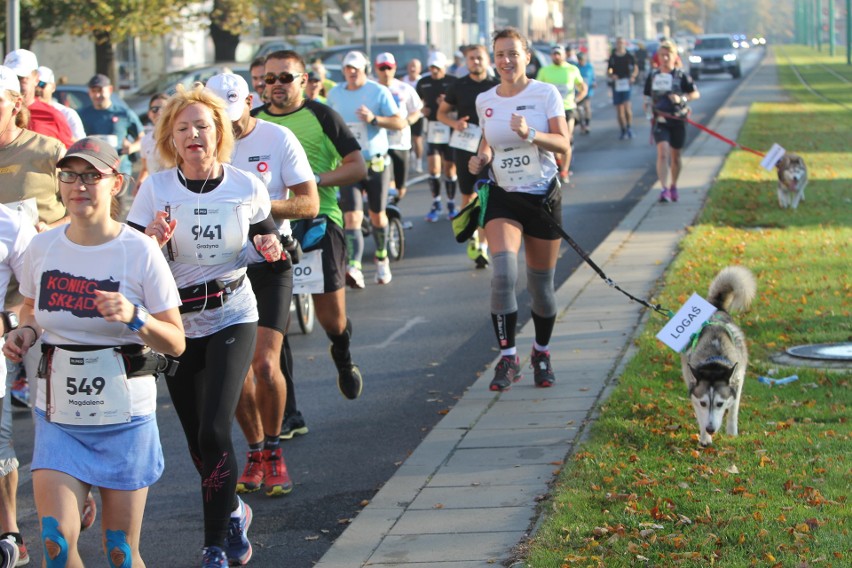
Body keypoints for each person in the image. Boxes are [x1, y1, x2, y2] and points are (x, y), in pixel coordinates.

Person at [2, 137, 185, 568]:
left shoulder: (138, 251)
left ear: (115, 183)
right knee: (55, 543)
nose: (78, 186)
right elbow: (31, 308)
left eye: (91, 176)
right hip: (60, 417)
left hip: (124, 419)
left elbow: (176, 341)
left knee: (121, 552)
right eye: (69, 176)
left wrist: (134, 316)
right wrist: (25, 333)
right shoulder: (42, 248)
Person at [126, 84, 285, 567]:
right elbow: (130, 258)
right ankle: (233, 510)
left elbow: (270, 243)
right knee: (199, 438)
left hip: (232, 312)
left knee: (216, 428)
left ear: (219, 132)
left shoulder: (245, 185)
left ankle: (215, 541)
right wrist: (151, 239)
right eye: (183, 128)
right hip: (176, 322)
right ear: (170, 138)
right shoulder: (155, 189)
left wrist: (275, 250)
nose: (194, 134)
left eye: (203, 126)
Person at [205, 72, 318, 498]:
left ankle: (274, 449)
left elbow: (309, 202)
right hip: (219, 268)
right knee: (233, 374)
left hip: (271, 259)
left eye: (233, 115)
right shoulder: (203, 142)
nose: (227, 126)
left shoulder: (278, 137)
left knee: (265, 366)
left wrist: (256, 204)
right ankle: (254, 452)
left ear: (249, 102)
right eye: (219, 116)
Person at [251, 49, 367, 426]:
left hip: (318, 222)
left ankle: (342, 352)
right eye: (269, 79)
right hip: (270, 231)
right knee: (274, 327)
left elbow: (356, 167)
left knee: (331, 319)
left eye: (285, 77)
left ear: (303, 80)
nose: (276, 85)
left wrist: (316, 182)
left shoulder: (321, 115)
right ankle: (289, 413)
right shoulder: (253, 123)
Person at [469, 28, 570, 392]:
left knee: (541, 287)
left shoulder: (545, 93)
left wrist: (531, 134)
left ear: (527, 56)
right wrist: (481, 157)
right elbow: (488, 138)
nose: (506, 61)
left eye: (513, 53)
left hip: (542, 197)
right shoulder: (485, 100)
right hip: (504, 197)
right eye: (500, 54)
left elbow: (562, 143)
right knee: (503, 273)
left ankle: (541, 352)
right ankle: (508, 357)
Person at [0, 65, 69, 565]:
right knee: (0, 428)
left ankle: (70, 498)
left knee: (53, 413)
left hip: (45, 300)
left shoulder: (47, 151)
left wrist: (42, 231)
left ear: (15, 104)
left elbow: (90, 203)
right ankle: (11, 535)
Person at [327, 51, 405, 287]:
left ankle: (381, 258)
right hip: (350, 164)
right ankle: (355, 266)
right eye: (348, 68)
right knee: (351, 217)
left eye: (356, 69)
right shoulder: (335, 93)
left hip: (376, 163)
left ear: (364, 70)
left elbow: (399, 122)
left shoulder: (377, 91)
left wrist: (374, 119)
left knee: (377, 215)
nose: (351, 72)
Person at [436, 44, 498, 268]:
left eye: (480, 58)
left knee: (486, 195)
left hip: (490, 146)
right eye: (471, 58)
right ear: (466, 62)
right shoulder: (458, 85)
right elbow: (440, 113)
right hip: (464, 144)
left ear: (487, 60)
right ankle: (472, 235)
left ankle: (483, 245)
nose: (476, 62)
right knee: (467, 196)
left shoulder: (496, 86)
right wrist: (455, 123)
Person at [0, 203, 35, 568]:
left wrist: (7, 323)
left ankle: (9, 533)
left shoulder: (10, 223)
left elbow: (34, 297)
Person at [643, 40, 699, 203]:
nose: (665, 58)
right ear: (658, 57)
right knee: (663, 153)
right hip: (660, 120)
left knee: (676, 156)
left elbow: (695, 94)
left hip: (678, 119)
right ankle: (664, 189)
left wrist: (681, 98)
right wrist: (647, 107)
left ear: (674, 56)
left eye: (668, 55)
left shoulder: (681, 75)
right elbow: (646, 96)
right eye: (662, 55)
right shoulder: (653, 76)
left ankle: (673, 185)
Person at [374, 52, 422, 202]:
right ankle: (387, 213)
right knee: (386, 182)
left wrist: (405, 122)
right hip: (379, 143)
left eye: (389, 68)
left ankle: (393, 208)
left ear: (394, 68)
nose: (386, 72)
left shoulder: (404, 88)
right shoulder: (372, 89)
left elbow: (416, 111)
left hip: (400, 143)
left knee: (400, 188)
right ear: (376, 69)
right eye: (382, 68)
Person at [417, 52, 459, 221]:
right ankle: (436, 203)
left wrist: (450, 105)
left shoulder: (453, 82)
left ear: (443, 67)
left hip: (449, 128)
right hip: (433, 128)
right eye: (431, 67)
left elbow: (460, 105)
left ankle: (450, 203)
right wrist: (422, 110)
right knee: (433, 168)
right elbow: (417, 102)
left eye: (437, 67)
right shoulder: (423, 82)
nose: (434, 71)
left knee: (449, 168)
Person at [3, 49, 74, 148]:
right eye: (8, 77)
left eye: (20, 78)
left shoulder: (52, 116)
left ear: (36, 79)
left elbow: (71, 155)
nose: (14, 83)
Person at [78, 74, 144, 180]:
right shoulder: (82, 115)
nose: (97, 95)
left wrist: (131, 148)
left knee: (117, 196)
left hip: (119, 170)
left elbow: (142, 138)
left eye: (100, 90)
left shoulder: (124, 114)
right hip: (92, 171)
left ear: (110, 89)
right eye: (93, 91)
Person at [536, 45, 587, 182]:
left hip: (568, 108)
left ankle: (564, 171)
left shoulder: (572, 69)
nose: (556, 56)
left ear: (564, 55)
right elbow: (538, 89)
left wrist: (578, 98)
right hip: (550, 111)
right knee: (553, 142)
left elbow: (582, 87)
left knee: (566, 139)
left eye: (559, 54)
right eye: (554, 54)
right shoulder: (545, 70)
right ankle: (559, 160)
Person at [35, 66, 86, 141]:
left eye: (41, 84)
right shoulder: (24, 113)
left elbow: (81, 145)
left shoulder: (67, 114)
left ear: (53, 87)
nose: (37, 89)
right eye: (34, 85)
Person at [134, 93, 169, 194]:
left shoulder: (178, 137)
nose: (159, 112)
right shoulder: (145, 140)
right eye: (154, 109)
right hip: (154, 190)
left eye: (163, 108)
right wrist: (139, 183)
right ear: (149, 113)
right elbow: (145, 168)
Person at [607, 37, 638, 140]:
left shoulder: (629, 56)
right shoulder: (613, 57)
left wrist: (633, 77)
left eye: (621, 43)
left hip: (626, 83)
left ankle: (629, 127)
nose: (619, 44)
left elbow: (635, 68)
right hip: (617, 84)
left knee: (627, 108)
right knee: (619, 110)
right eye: (618, 43)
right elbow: (609, 70)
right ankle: (623, 129)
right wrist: (612, 76)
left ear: (624, 44)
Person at [403, 59, 425, 173]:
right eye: (410, 66)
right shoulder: (403, 81)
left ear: (419, 69)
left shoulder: (422, 81)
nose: (412, 69)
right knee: (407, 138)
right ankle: (409, 157)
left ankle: (419, 161)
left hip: (418, 115)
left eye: (415, 66)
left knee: (417, 139)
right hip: (405, 116)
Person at [574, 52, 596, 134]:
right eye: (579, 60)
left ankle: (587, 124)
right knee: (578, 109)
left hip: (588, 90)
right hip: (578, 91)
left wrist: (594, 82)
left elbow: (593, 77)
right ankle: (582, 124)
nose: (581, 61)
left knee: (587, 107)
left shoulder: (589, 67)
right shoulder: (575, 68)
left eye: (582, 60)